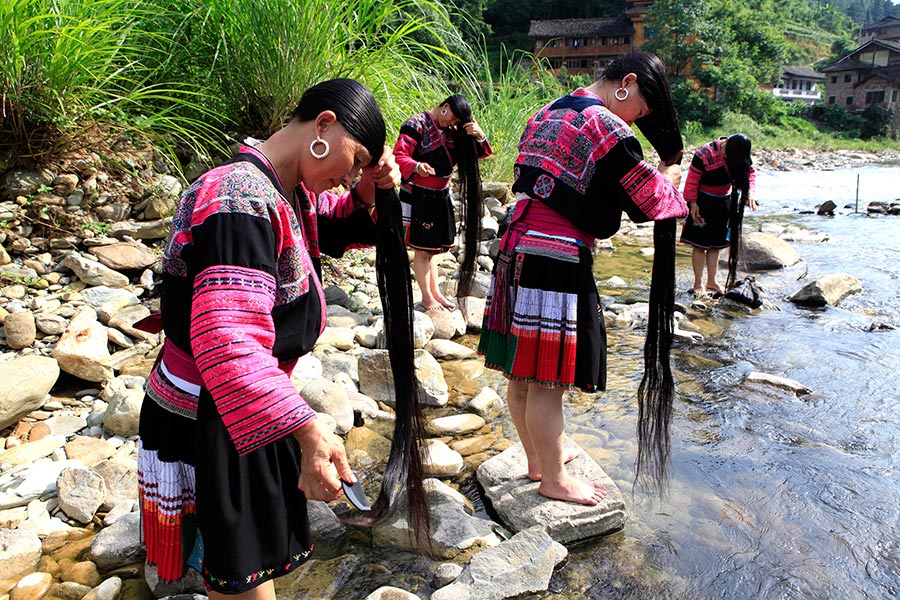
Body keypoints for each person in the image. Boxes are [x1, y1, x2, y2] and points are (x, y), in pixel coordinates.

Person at [137, 78, 428, 599]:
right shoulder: (238, 197)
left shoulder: (279, 190)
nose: (348, 177)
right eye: (353, 159)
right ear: (323, 126)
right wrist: (310, 432)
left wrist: (372, 188)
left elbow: (332, 227)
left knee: (248, 572)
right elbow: (228, 342)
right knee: (241, 575)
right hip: (214, 411)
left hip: (240, 406)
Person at [478, 51, 688, 505]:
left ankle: (537, 460)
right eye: (641, 110)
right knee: (547, 380)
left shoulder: (545, 112)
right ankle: (553, 479)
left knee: (522, 373)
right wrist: (669, 174)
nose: (636, 120)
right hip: (555, 256)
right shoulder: (605, 126)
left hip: (516, 244)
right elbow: (651, 202)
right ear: (626, 84)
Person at [393, 94, 492, 310]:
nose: (452, 124)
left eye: (457, 122)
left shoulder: (452, 132)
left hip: (440, 195)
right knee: (422, 249)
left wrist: (479, 135)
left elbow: (475, 154)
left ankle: (435, 292)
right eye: (453, 119)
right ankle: (426, 296)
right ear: (445, 107)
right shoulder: (415, 124)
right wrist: (417, 166)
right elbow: (400, 155)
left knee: (434, 249)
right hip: (420, 195)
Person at [679, 134, 756, 296]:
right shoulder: (704, 153)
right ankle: (698, 283)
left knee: (716, 245)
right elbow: (692, 180)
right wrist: (692, 203)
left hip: (724, 203)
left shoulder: (739, 153)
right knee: (700, 245)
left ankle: (712, 281)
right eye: (725, 153)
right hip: (702, 203)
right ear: (725, 142)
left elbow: (750, 172)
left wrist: (751, 192)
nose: (726, 157)